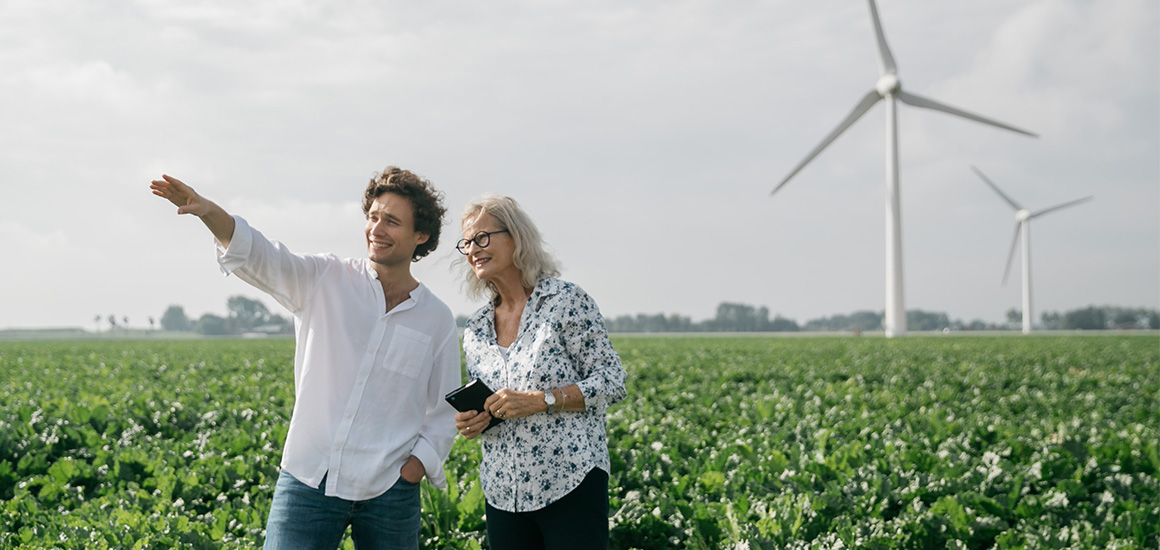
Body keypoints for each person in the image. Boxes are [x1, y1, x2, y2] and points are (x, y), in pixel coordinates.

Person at [150, 167, 461, 550]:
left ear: (421, 235)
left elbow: (445, 410)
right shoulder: (325, 278)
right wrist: (208, 212)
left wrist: (413, 469)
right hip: (309, 478)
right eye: (373, 217)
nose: (377, 229)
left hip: (389, 492)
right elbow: (264, 256)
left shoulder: (437, 318)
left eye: (392, 221)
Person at [453, 194, 627, 550]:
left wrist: (541, 400)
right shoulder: (475, 329)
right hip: (503, 493)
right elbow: (494, 403)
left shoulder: (566, 302)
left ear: (516, 238)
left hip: (570, 484)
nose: (473, 249)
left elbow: (611, 379)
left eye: (482, 237)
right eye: (467, 243)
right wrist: (477, 419)